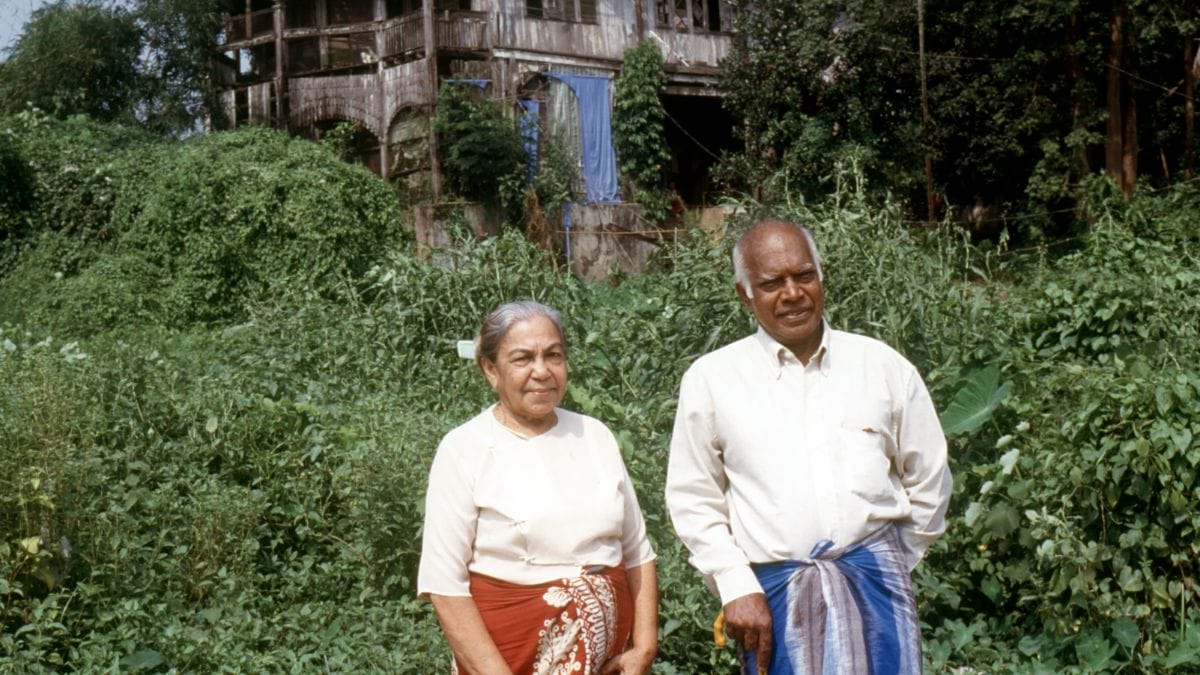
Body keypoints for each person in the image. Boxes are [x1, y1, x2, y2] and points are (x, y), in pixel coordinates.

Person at [665, 220, 952, 674]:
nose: (792, 293)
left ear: (822, 276)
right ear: (745, 294)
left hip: (878, 589)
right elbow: (692, 498)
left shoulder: (880, 365)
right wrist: (735, 583)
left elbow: (930, 476)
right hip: (772, 601)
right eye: (771, 283)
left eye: (804, 275)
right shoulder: (713, 379)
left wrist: (891, 562)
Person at [418, 300, 658, 675]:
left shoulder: (595, 435)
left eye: (553, 355)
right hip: (511, 661)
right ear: (490, 370)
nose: (542, 371)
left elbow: (638, 551)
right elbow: (444, 587)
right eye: (522, 359)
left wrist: (644, 646)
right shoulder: (464, 449)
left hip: (612, 662)